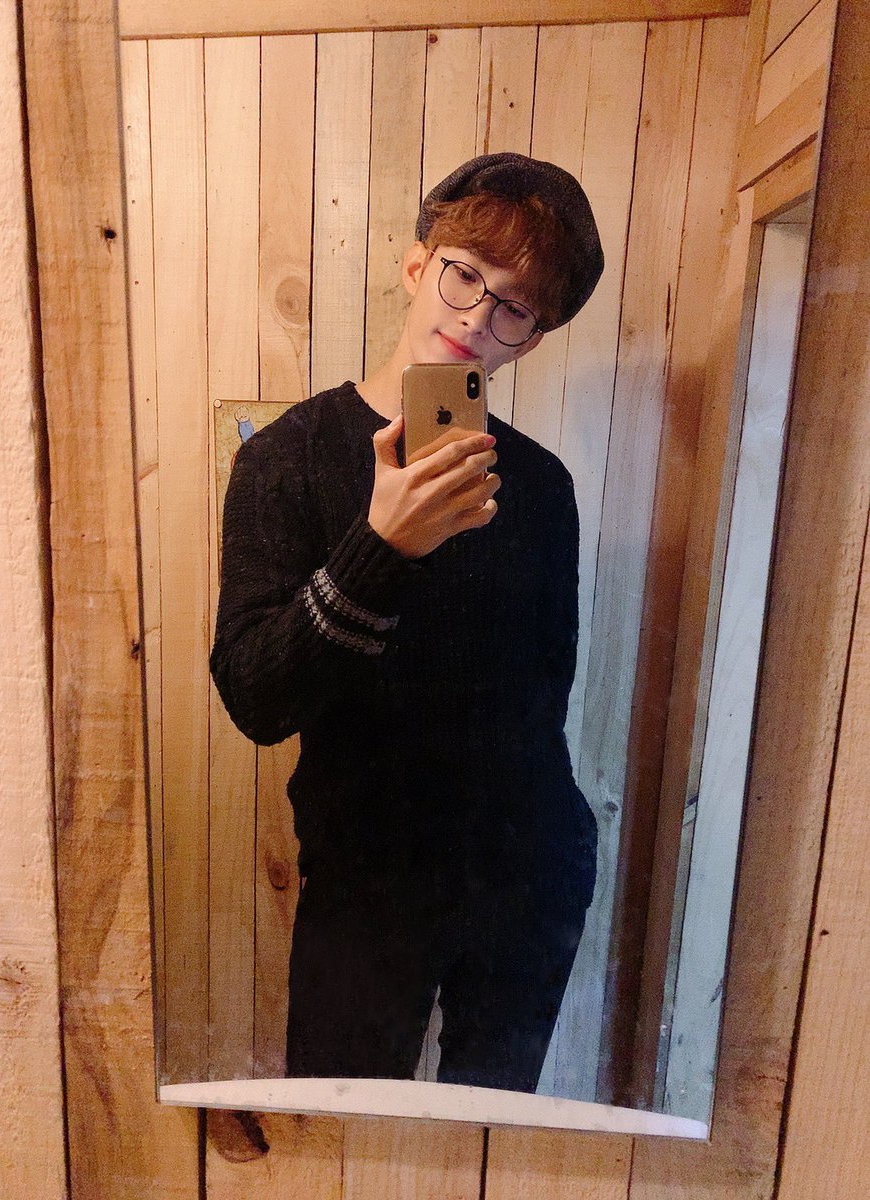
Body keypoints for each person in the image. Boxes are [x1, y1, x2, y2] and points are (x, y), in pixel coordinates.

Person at [210, 152, 603, 1093]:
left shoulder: (540, 487)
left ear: (531, 340)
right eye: (466, 275)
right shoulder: (288, 461)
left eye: (515, 308)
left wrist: (554, 856)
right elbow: (257, 698)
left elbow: (543, 695)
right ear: (417, 264)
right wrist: (381, 544)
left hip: (528, 875)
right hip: (365, 881)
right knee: (339, 1126)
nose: (476, 319)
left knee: (493, 1139)